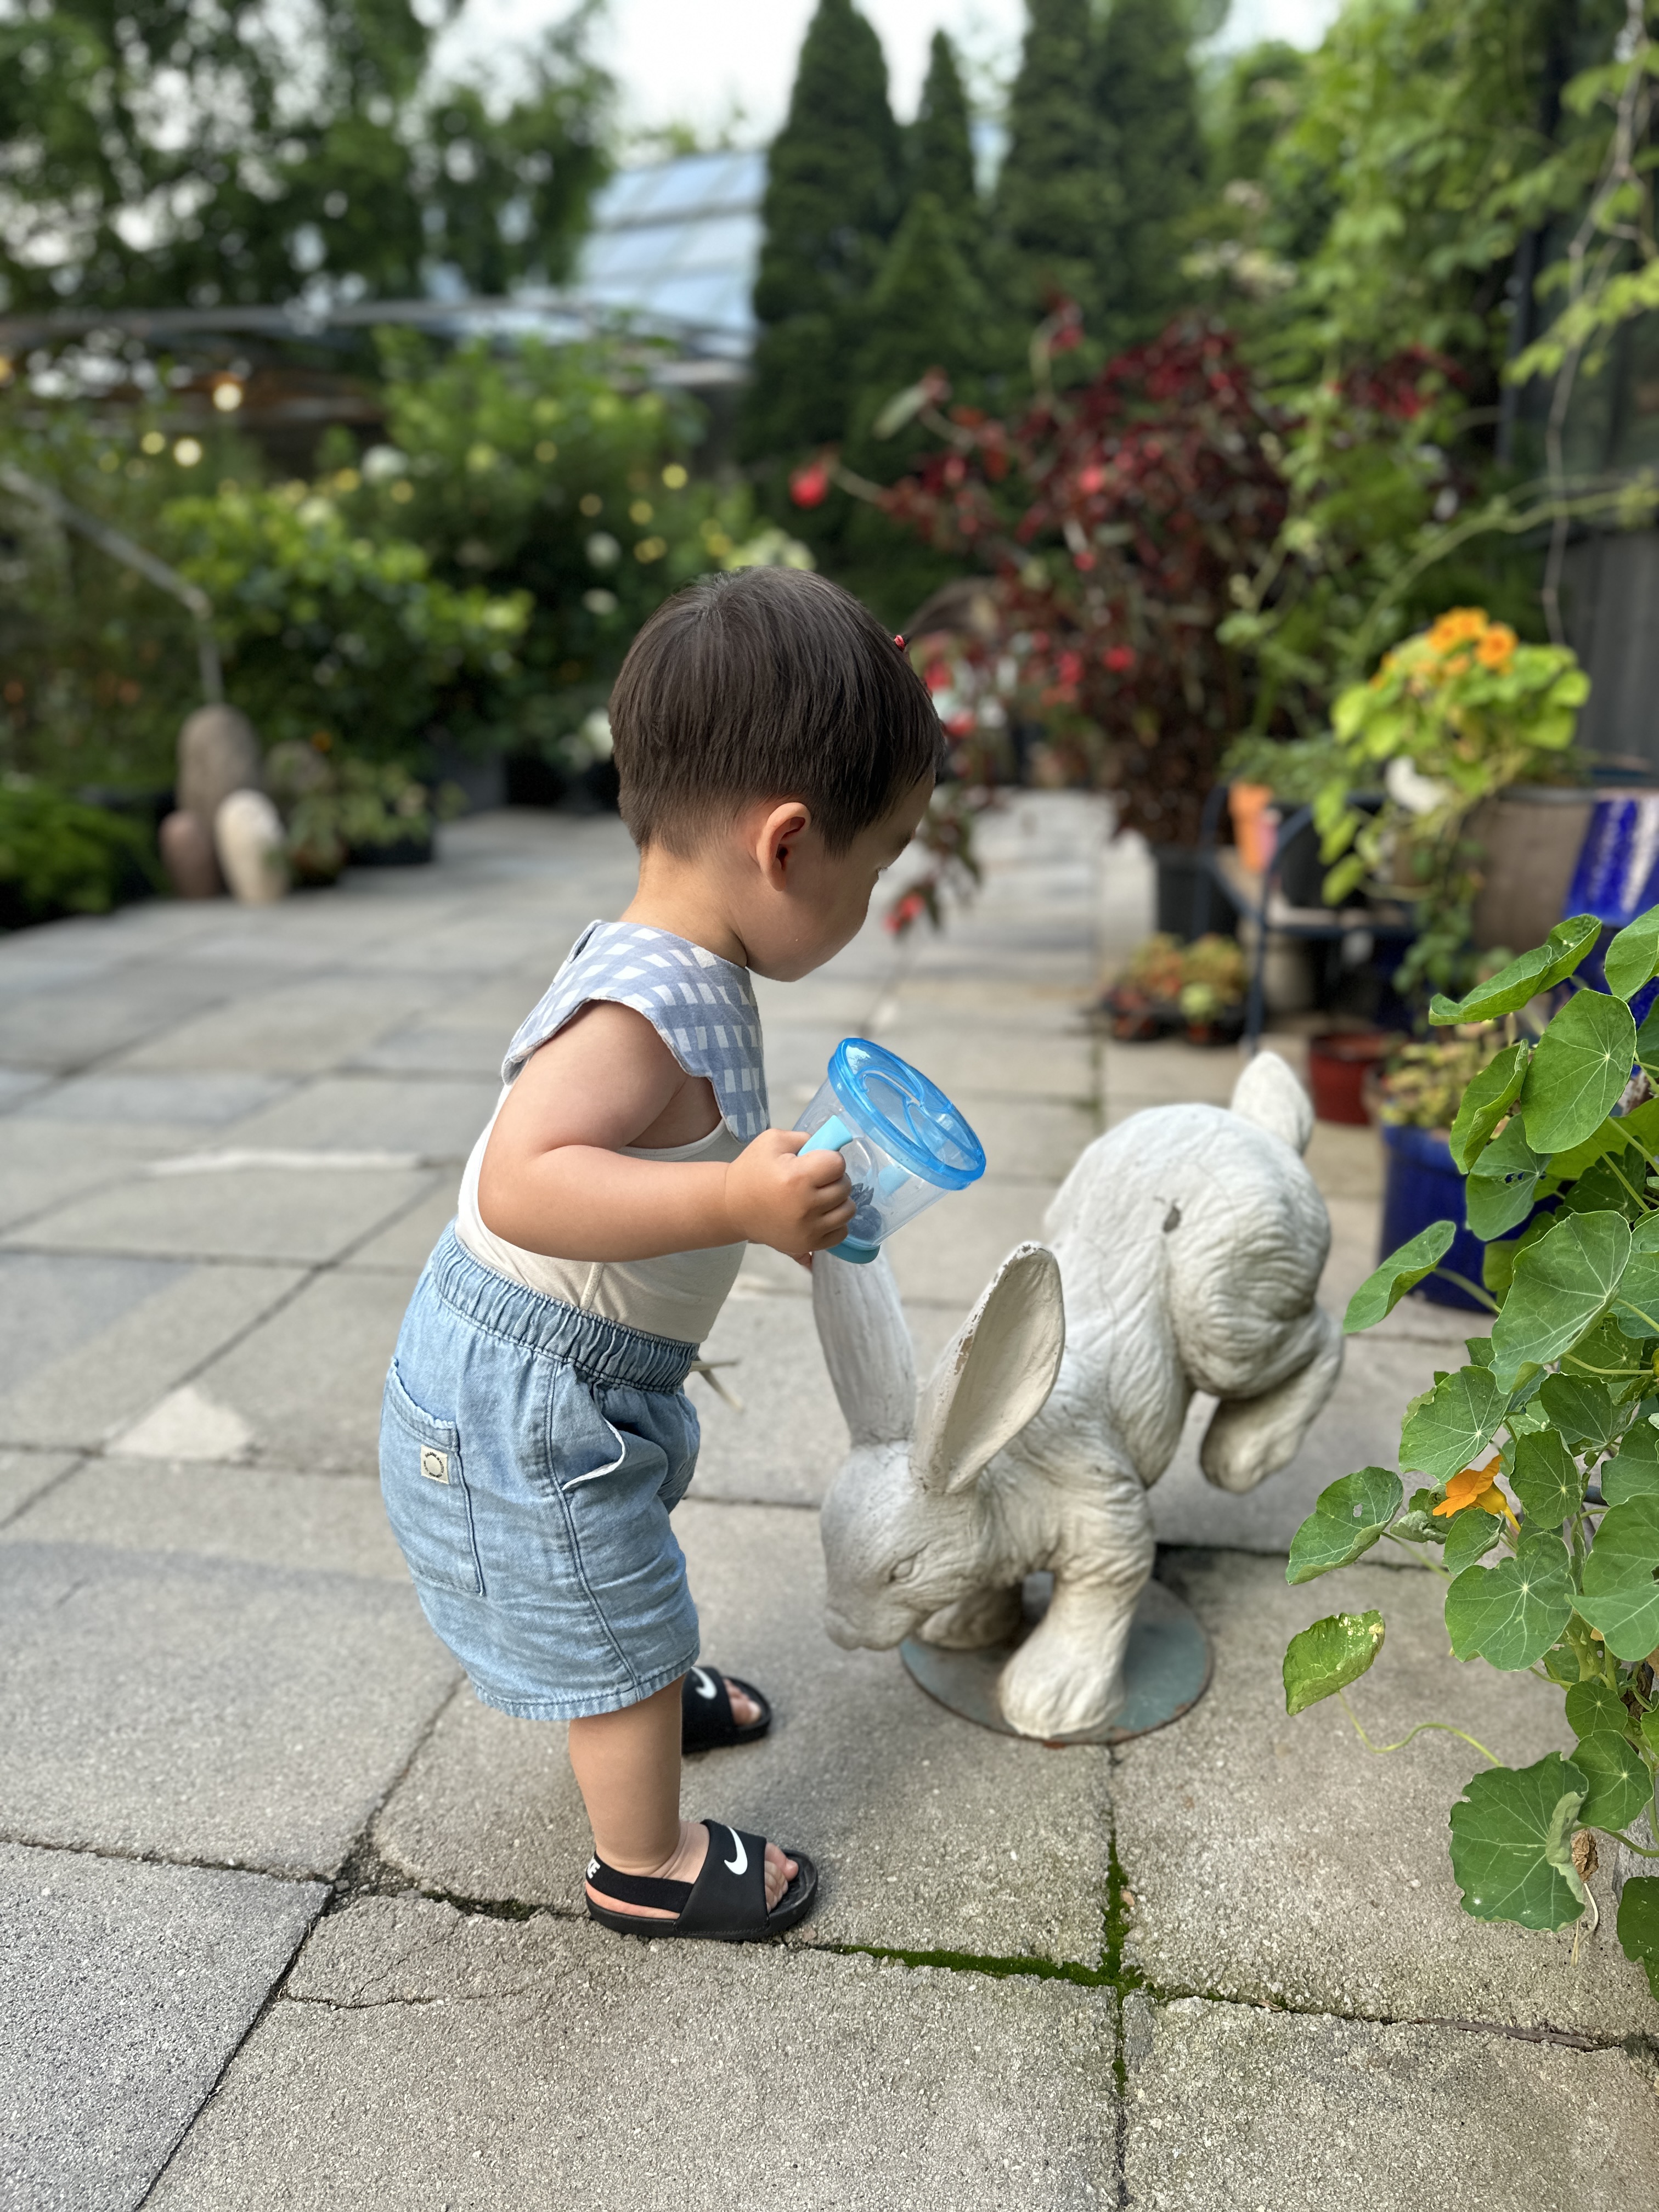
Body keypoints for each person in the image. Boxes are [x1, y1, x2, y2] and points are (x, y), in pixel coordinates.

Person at [379, 566, 939, 1940]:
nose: (868, 901)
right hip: (524, 1391)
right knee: (604, 1583)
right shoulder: (638, 1005)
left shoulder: (681, 958)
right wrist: (730, 1210)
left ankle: (629, 1685)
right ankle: (645, 1861)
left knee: (616, 1569)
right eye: (876, 869)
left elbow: (676, 1157)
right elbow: (525, 1183)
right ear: (789, 845)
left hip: (575, 1374)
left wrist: (778, 1201)